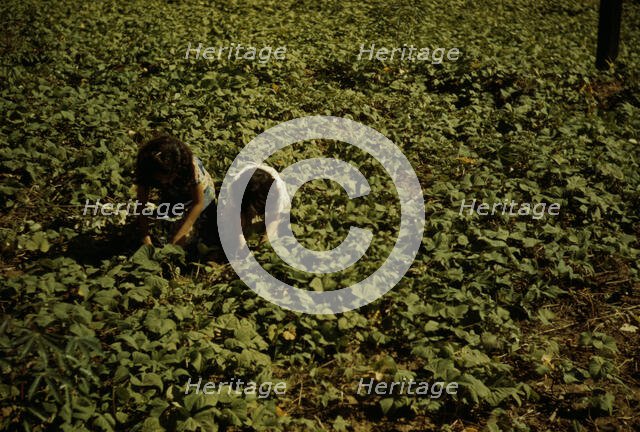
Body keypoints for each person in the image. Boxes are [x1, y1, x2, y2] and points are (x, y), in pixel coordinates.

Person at [135, 135, 216, 247]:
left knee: (193, 237)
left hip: (202, 195)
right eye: (159, 178)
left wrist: (179, 236)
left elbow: (198, 203)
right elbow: (141, 204)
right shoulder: (147, 169)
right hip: (173, 194)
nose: (163, 180)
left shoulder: (190, 167)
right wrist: (145, 236)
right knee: (162, 232)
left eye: (166, 177)